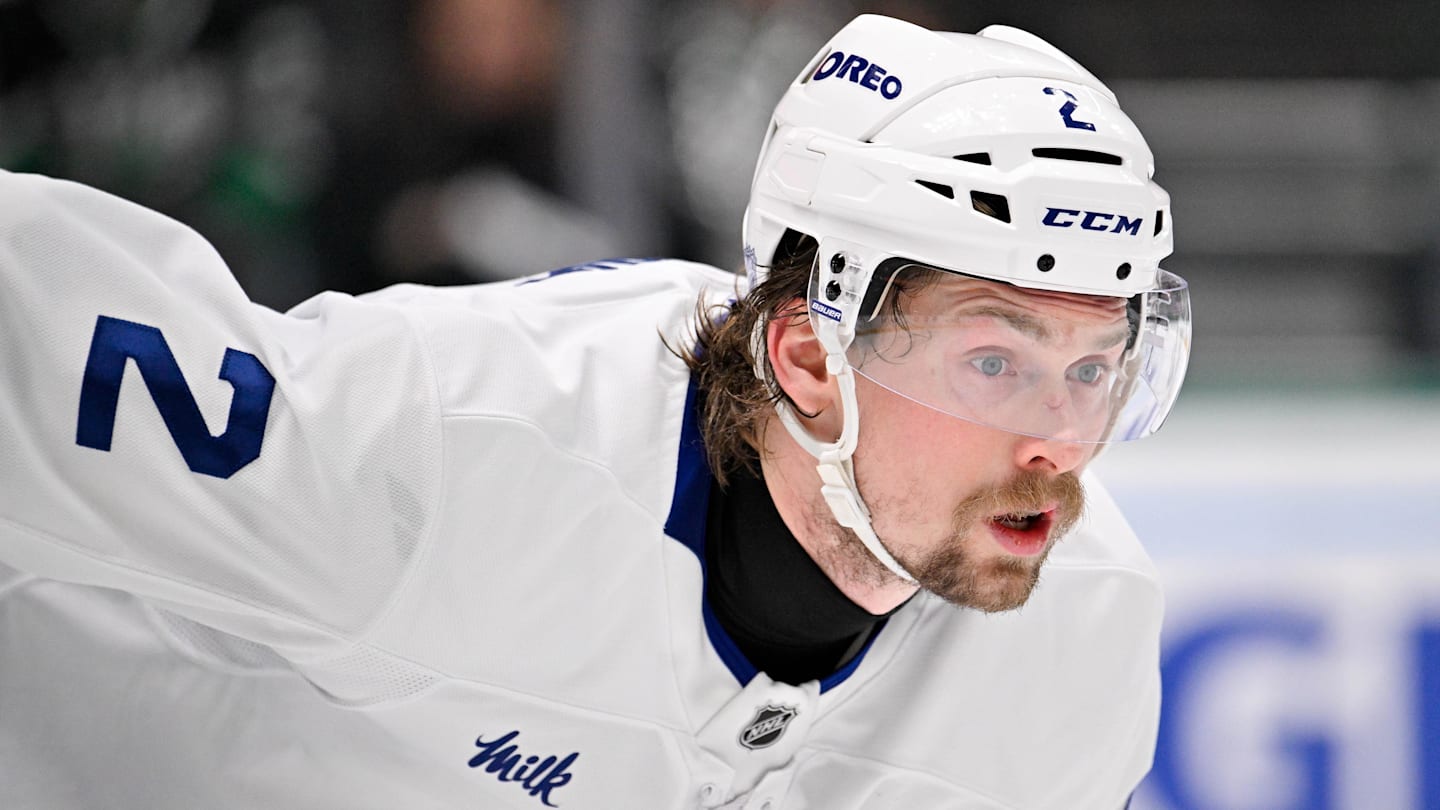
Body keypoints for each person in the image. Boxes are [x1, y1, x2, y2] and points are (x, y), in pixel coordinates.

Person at [0, 14, 1190, 810]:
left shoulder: (1082, 637)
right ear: (810, 361)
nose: (1060, 443)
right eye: (995, 362)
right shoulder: (452, 445)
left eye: (1096, 368)